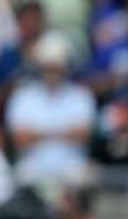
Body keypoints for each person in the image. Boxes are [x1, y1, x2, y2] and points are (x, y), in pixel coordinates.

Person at [6, 29, 94, 184]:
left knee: (86, 176)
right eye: (48, 67)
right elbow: (20, 139)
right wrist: (65, 133)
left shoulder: (81, 96)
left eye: (56, 67)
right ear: (39, 67)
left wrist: (38, 134)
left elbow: (83, 136)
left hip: (72, 168)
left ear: (66, 66)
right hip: (32, 169)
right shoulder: (23, 97)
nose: (52, 72)